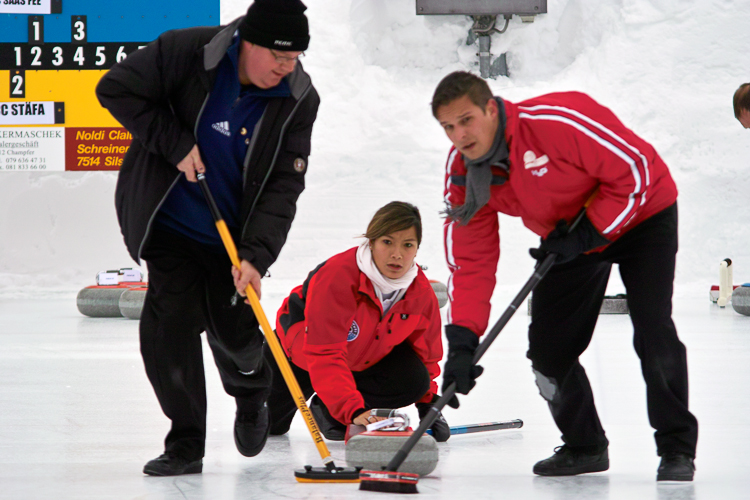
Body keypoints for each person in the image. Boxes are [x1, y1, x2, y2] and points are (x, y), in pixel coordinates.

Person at [431, 71, 698, 481]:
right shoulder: (466, 175)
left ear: (490, 108)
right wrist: (463, 340)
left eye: (466, 120)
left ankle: (677, 448)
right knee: (548, 352)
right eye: (448, 127)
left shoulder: (554, 124)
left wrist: (590, 232)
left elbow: (636, 169)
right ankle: (585, 445)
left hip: (642, 213)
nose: (460, 135)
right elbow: (472, 261)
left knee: (652, 327)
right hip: (568, 236)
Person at [95, 0, 320, 476]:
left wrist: (256, 257)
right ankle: (185, 442)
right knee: (169, 326)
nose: (287, 67)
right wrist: (175, 144)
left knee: (234, 331)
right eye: (279, 56)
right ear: (248, 42)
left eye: (295, 57)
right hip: (171, 222)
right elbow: (115, 89)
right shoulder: (187, 52)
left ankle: (252, 389)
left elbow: (283, 186)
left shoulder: (298, 98)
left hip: (233, 238)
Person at [265, 201, 450, 442]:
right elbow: (324, 353)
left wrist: (429, 405)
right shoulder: (338, 276)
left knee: (414, 380)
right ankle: (333, 403)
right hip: (302, 357)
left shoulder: (421, 292)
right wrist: (351, 410)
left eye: (408, 245)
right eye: (387, 242)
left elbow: (427, 354)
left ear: (417, 250)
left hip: (361, 360)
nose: (397, 254)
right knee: (270, 426)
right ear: (371, 242)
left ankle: (327, 408)